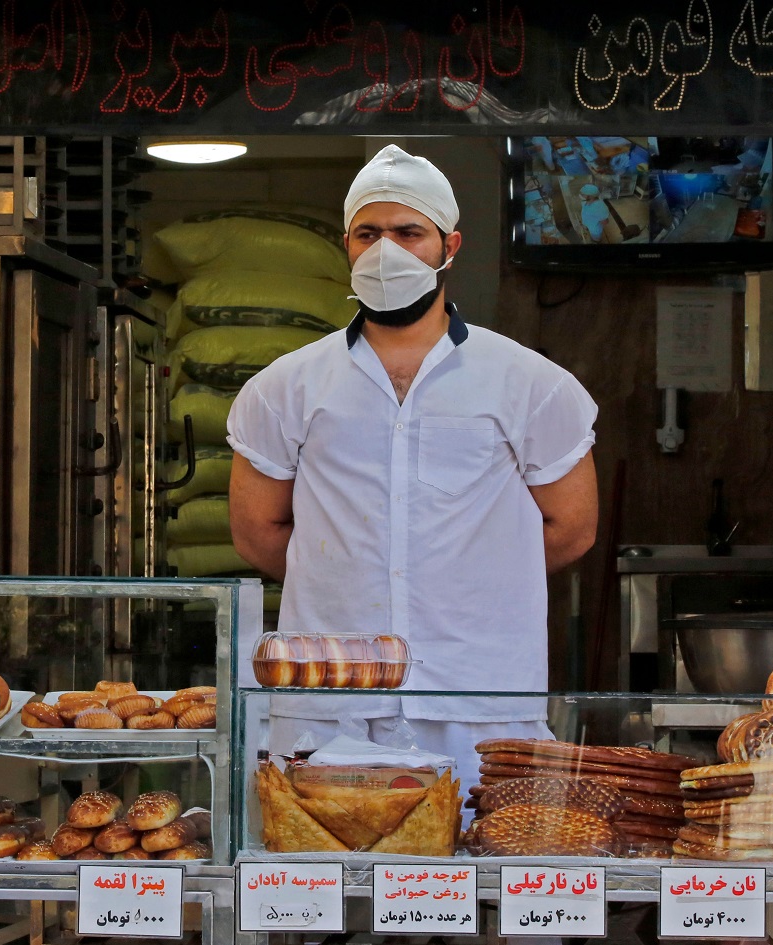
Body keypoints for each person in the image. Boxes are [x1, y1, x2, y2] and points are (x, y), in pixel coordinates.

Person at [227, 144, 599, 801]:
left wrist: (466, 580)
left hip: (479, 702)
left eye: (408, 232)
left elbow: (571, 528)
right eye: (368, 234)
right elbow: (258, 531)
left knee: (481, 887)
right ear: (345, 244)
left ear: (449, 244)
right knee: (322, 892)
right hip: (330, 708)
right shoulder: (283, 388)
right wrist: (349, 570)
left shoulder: (530, 385)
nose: (385, 251)